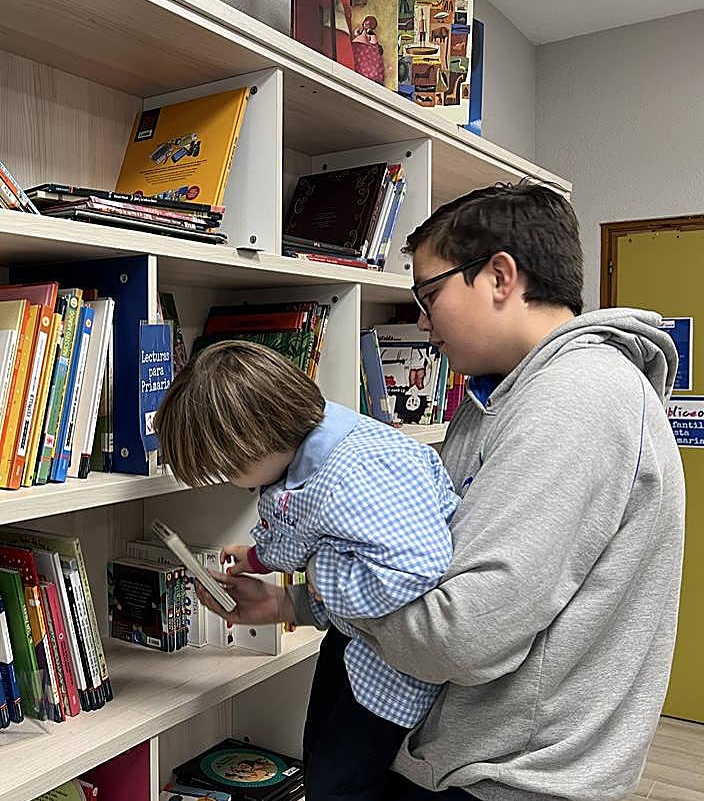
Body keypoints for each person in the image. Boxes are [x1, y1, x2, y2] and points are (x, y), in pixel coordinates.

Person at [190, 182, 686, 801]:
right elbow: (425, 578)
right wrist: (293, 607)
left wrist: (318, 575)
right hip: (461, 758)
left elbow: (459, 636)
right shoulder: (497, 395)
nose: (422, 322)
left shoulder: (576, 402)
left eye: (429, 294)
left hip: (506, 778)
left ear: (500, 277)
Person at [154, 340, 461, 801]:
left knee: (340, 782)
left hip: (391, 662)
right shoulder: (307, 456)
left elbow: (413, 570)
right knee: (319, 762)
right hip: (353, 640)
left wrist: (320, 577)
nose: (229, 482)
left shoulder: (358, 472)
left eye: (226, 469)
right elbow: (310, 530)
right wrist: (258, 559)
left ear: (250, 443)